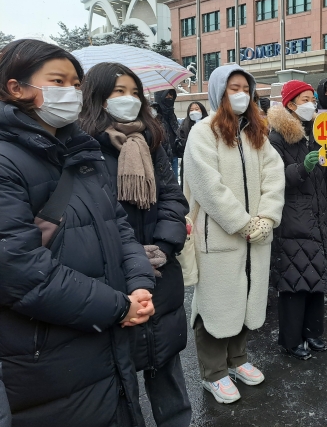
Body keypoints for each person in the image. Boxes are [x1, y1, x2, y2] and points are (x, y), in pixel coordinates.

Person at [0, 39, 156, 426]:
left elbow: (117, 226)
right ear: (16, 88)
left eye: (75, 83)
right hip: (48, 354)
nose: (69, 92)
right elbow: (19, 271)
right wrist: (119, 307)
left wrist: (139, 283)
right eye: (57, 81)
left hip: (106, 336)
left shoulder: (80, 151)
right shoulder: (6, 161)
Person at [78, 63, 192, 427]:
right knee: (120, 380)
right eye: (117, 92)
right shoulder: (81, 146)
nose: (128, 100)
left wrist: (165, 245)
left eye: (133, 91)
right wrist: (126, 254)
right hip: (115, 274)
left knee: (166, 366)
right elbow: (86, 213)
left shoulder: (152, 138)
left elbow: (172, 196)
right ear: (97, 97)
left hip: (162, 271)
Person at [183, 64, 285, 403]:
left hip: (256, 236)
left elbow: (274, 175)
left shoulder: (257, 132)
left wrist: (266, 218)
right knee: (215, 304)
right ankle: (213, 372)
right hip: (220, 237)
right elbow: (207, 186)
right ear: (218, 92)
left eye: (245, 88)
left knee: (246, 297)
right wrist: (242, 223)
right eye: (233, 88)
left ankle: (237, 359)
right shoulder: (203, 131)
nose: (241, 95)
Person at [268, 80, 327, 360]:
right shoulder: (277, 138)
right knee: (294, 281)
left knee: (316, 276)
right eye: (304, 99)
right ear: (289, 104)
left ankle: (313, 332)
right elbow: (274, 177)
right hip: (293, 215)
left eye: (312, 98)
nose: (311, 103)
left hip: (319, 212)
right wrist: (302, 168)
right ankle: (290, 339)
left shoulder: (319, 133)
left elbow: (325, 177)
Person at [175, 101, 209, 185]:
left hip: (206, 160)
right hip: (189, 161)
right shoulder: (184, 125)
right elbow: (179, 144)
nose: (194, 111)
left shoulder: (209, 123)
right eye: (191, 110)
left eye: (197, 109)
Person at [153, 88, 180, 176]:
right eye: (167, 95)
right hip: (161, 158)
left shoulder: (172, 114)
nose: (169, 97)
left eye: (171, 95)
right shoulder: (154, 115)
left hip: (174, 155)